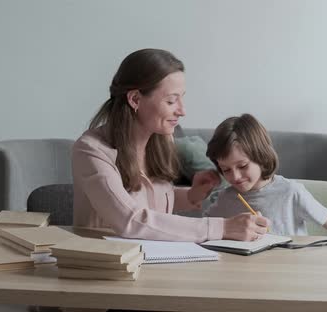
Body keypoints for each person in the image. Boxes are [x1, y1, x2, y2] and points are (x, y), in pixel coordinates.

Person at [72, 49, 269, 242]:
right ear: (135, 99)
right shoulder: (91, 151)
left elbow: (149, 203)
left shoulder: (162, 139)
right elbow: (130, 219)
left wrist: (191, 195)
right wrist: (223, 227)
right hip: (108, 267)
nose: (182, 110)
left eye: (181, 98)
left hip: (153, 262)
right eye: (171, 101)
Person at [205, 114, 327, 237]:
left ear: (261, 156)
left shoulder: (290, 192)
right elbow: (203, 230)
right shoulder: (224, 199)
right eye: (226, 169)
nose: (235, 176)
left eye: (242, 166)